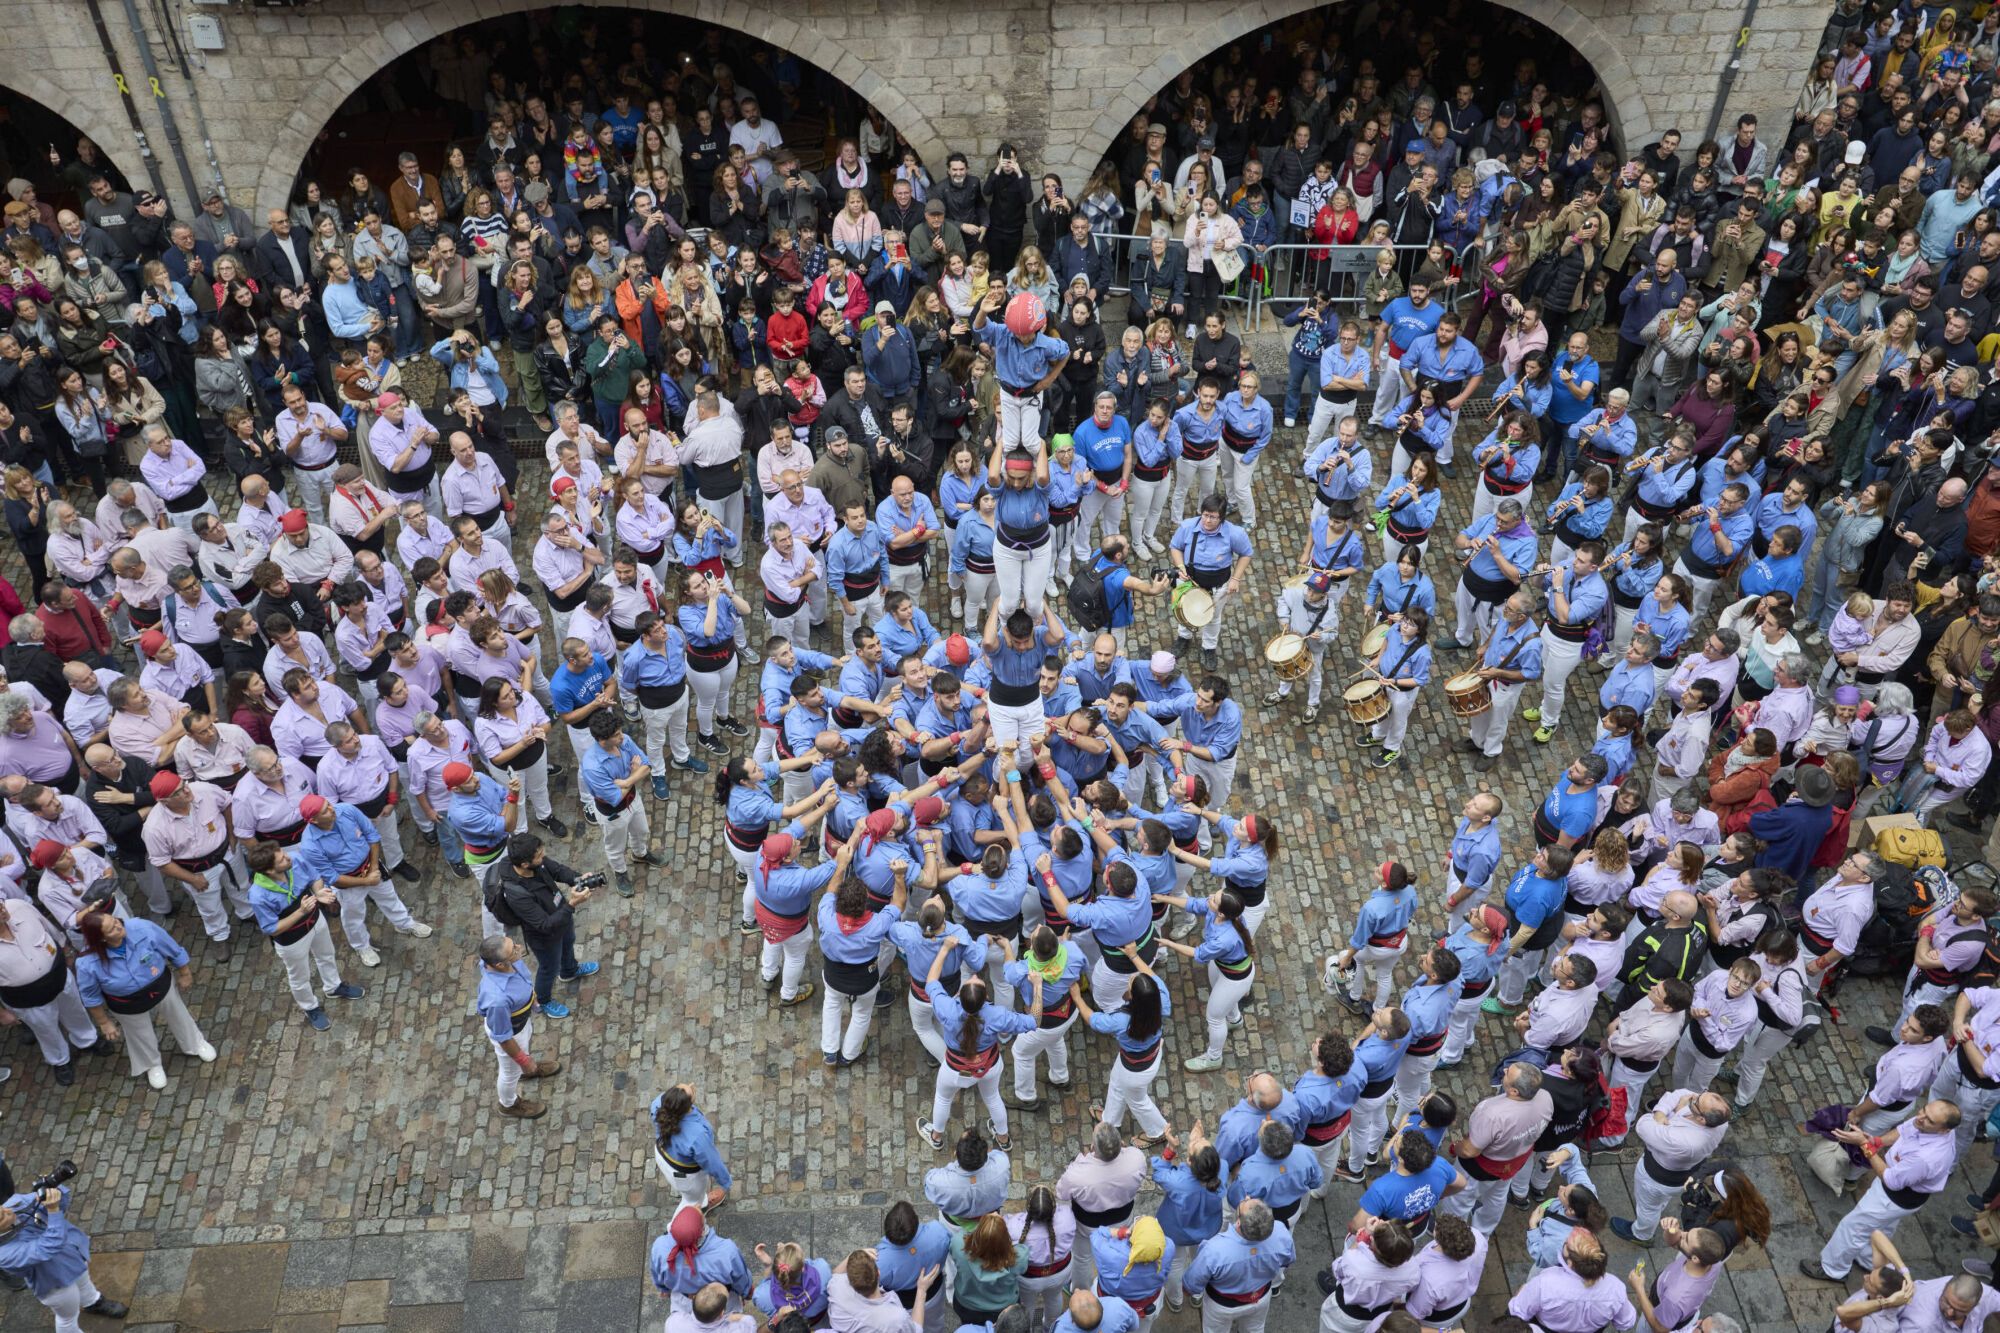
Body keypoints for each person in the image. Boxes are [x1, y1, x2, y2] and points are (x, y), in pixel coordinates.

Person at [1803, 1100, 1962, 1282]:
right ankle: (1869, 1259)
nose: (1920, 1118)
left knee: (1852, 1227)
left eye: (1929, 1120)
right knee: (1880, 1228)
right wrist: (1877, 1141)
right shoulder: (1931, 1125)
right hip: (1902, 1192)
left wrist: (1865, 1144)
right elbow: (1905, 1129)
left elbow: (1891, 1180)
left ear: (1944, 1130)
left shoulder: (1926, 1158)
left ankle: (1833, 1269)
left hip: (1894, 1196)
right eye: (1923, 1111)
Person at [74, 909, 215, 1091]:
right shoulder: (87, 963)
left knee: (179, 1016)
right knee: (139, 1033)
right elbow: (90, 996)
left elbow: (171, 947)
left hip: (160, 986)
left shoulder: (142, 927)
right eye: (111, 929)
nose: (118, 926)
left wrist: (185, 972)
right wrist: (104, 1022)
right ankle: (152, 1064)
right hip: (127, 1003)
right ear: (101, 939)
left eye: (115, 921)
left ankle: (195, 1044)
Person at [244, 839, 362, 1032]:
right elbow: (272, 928)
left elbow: (314, 877)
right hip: (292, 940)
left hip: (316, 921)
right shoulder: (258, 895)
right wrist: (300, 911)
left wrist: (319, 892)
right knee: (300, 976)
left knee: (327, 955)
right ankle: (310, 1007)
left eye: (283, 853)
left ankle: (334, 986)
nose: (287, 857)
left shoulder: (295, 860)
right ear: (270, 871)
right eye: (281, 859)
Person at [0, 1180, 129, 1332]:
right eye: (2, 1217)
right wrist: (53, 1211)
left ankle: (93, 1302)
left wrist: (52, 1188)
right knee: (67, 1318)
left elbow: (60, 1204)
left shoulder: (13, 1204)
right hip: (54, 1283)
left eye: (1, 1208)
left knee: (83, 1280)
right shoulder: (4, 1254)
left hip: (71, 1257)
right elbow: (48, 1246)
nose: (8, 1211)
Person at [1180, 1196, 1293, 1333]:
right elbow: (1288, 1261)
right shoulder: (1281, 1233)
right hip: (1261, 1297)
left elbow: (1191, 1284)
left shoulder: (1214, 1250)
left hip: (1222, 1306)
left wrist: (1186, 1291)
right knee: (1255, 1329)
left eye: (1245, 1202)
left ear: (1238, 1223)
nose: (1246, 1197)